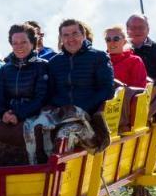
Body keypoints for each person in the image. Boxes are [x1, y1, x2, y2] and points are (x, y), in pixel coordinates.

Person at [47, 18, 115, 150]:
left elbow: (107, 90)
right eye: (66, 35)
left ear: (83, 36)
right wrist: (61, 107)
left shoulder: (99, 57)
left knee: (65, 134)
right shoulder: (54, 63)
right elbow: (50, 92)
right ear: (61, 38)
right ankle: (36, 167)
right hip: (61, 114)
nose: (70, 39)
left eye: (75, 34)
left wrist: (81, 107)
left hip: (88, 116)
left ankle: (60, 168)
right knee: (35, 129)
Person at [0, 24, 50, 125]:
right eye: (15, 43)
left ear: (32, 43)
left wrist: (19, 114)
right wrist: (3, 113)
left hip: (34, 117)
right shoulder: (5, 69)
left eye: (24, 42)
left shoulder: (42, 66)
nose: (19, 46)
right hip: (7, 117)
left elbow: (42, 98)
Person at [103, 23, 148, 88]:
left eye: (116, 39)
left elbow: (139, 90)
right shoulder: (101, 62)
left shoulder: (134, 61)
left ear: (124, 41)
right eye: (108, 39)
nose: (112, 42)